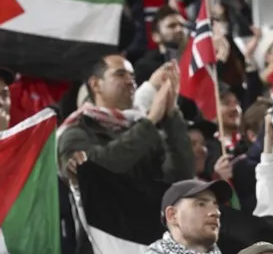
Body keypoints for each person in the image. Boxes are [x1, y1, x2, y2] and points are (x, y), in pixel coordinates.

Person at [58, 55, 194, 182]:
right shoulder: (75, 131)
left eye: (132, 76)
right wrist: (150, 121)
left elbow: (180, 177)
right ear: (95, 84)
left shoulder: (143, 129)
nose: (130, 81)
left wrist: (171, 115)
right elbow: (92, 171)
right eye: (120, 74)